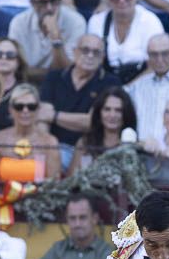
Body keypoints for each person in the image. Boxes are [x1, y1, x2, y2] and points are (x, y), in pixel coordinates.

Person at [38, 33, 120, 164]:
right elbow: (42, 117)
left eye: (96, 52)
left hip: (91, 150)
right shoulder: (53, 77)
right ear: (74, 52)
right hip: (55, 147)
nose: (90, 56)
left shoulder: (110, 82)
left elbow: (93, 121)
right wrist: (48, 149)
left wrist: (55, 116)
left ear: (103, 57)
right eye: (85, 50)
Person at [87, 0, 164, 83]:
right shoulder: (97, 21)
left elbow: (155, 65)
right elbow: (92, 61)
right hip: (106, 82)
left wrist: (128, 90)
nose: (122, 0)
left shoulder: (150, 21)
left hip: (143, 81)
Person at [7, 0, 86, 82]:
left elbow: (67, 73)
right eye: (42, 2)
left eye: (54, 0)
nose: (49, 8)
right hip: (27, 84)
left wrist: (56, 39)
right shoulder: (19, 23)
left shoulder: (76, 22)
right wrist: (50, 73)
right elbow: (16, 69)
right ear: (32, 2)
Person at [0, 82, 61, 179]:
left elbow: (54, 183)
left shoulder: (50, 142)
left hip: (39, 194)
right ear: (10, 110)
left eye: (31, 107)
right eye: (19, 107)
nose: (25, 111)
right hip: (2, 193)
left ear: (38, 109)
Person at [68, 85, 134, 173]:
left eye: (118, 110)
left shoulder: (132, 144)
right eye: (107, 109)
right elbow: (71, 180)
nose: (112, 115)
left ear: (126, 113)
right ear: (99, 112)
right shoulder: (85, 142)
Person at [39, 194, 113, 259]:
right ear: (67, 220)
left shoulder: (105, 251)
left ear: (94, 218)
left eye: (83, 217)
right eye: (72, 218)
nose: (77, 224)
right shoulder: (57, 250)